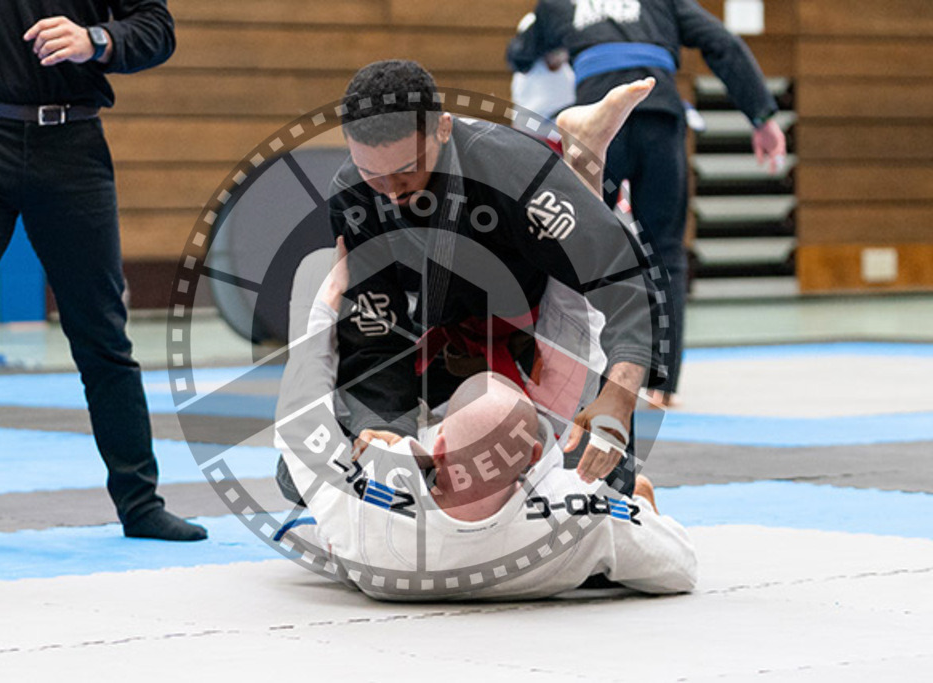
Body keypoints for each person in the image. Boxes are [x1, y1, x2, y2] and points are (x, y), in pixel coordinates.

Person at [0, 1, 207, 549]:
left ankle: (141, 503)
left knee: (103, 335)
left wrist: (96, 39)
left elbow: (156, 30)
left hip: (72, 144)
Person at [309, 60, 672, 504]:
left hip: (544, 312)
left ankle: (581, 163)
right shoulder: (353, 197)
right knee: (334, 475)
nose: (389, 190)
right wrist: (387, 430)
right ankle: (582, 163)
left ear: (443, 128)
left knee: (594, 493)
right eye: (371, 172)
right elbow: (374, 330)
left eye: (407, 169)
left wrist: (619, 395)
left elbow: (622, 277)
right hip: (448, 340)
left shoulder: (511, 168)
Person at [272, 240, 697, 601]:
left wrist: (325, 305)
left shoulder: (362, 506)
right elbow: (681, 567)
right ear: (535, 458)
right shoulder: (580, 516)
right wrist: (635, 508)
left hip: (388, 521)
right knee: (595, 438)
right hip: (530, 498)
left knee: (290, 471)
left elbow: (301, 405)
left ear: (435, 446)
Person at [510, 0, 788, 407]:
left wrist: (550, 49)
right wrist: (761, 116)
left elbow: (518, 53)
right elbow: (721, 43)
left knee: (572, 246)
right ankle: (662, 382)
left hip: (597, 122)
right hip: (659, 115)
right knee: (666, 252)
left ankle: (566, 368)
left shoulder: (559, 5)